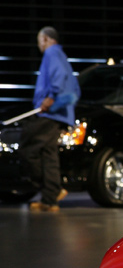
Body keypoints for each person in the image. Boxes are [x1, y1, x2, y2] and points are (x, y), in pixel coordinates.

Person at [23, 26, 80, 212]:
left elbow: (59, 76)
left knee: (29, 147)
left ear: (46, 39)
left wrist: (50, 97)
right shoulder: (61, 55)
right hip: (59, 113)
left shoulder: (52, 53)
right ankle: (50, 199)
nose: (39, 45)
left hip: (50, 112)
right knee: (49, 155)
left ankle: (51, 190)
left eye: (40, 41)